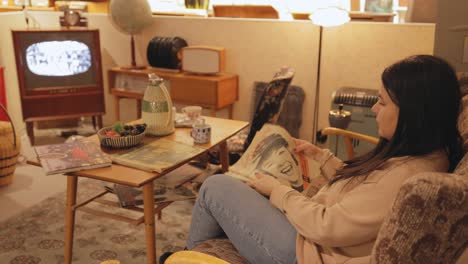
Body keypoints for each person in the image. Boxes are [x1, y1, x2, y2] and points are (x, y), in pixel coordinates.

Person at [162, 54, 463, 264]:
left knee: (216, 186)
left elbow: (327, 226)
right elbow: (364, 193)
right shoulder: (428, 152)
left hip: (305, 252)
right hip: (310, 240)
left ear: (413, 112)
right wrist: (323, 157)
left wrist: (279, 192)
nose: (374, 109)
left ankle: (188, 256)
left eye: (382, 102)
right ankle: (197, 255)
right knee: (244, 183)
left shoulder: (406, 177)